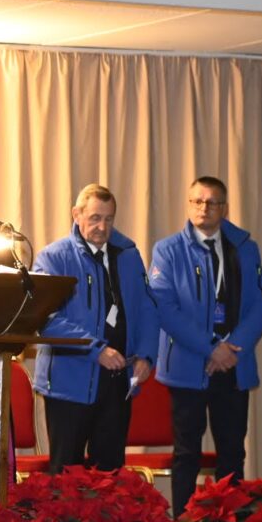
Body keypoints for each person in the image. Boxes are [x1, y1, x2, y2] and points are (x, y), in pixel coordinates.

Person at [150, 177, 262, 517]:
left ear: (224, 208)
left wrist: (232, 347)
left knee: (233, 452)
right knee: (187, 452)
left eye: (212, 202)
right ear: (188, 205)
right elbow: (163, 306)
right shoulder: (168, 250)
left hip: (233, 365)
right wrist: (210, 349)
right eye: (197, 201)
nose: (204, 208)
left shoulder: (245, 248)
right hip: (189, 366)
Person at [32, 184, 158, 472]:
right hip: (69, 383)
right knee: (67, 476)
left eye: (109, 219)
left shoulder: (128, 254)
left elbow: (148, 308)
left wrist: (146, 355)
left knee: (110, 474)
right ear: (76, 214)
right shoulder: (54, 257)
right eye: (95, 218)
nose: (102, 226)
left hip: (117, 382)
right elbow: (44, 317)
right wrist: (95, 349)